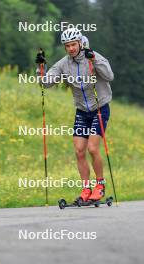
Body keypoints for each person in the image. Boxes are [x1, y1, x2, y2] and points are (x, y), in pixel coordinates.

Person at [35, 28, 114, 201]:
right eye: (67, 46)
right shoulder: (63, 64)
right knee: (79, 151)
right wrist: (41, 68)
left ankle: (100, 185)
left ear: (80, 43)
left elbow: (109, 76)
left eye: (73, 44)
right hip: (82, 111)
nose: (70, 48)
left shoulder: (93, 57)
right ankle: (86, 189)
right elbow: (46, 83)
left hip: (100, 108)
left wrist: (95, 60)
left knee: (93, 149)